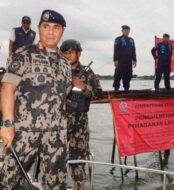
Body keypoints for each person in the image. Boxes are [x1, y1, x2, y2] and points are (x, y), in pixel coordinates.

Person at [0, 9, 72, 190]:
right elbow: (7, 89)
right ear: (39, 28)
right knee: (8, 181)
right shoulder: (23, 54)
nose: (50, 31)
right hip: (25, 133)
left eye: (56, 27)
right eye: (46, 26)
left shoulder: (65, 63)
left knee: (57, 184)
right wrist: (7, 124)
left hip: (56, 135)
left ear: (62, 30)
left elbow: (64, 94)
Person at [60, 39, 102, 190]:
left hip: (80, 126)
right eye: (65, 53)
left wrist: (83, 86)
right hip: (59, 124)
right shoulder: (57, 71)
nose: (68, 56)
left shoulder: (87, 73)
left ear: (78, 53)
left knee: (78, 164)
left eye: (71, 52)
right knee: (57, 163)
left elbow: (99, 94)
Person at [113, 25, 137, 91]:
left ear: (129, 31)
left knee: (128, 75)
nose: (126, 31)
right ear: (122, 31)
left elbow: (133, 50)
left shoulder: (131, 40)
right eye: (125, 30)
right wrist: (115, 60)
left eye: (128, 30)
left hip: (129, 60)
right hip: (120, 60)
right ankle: (116, 88)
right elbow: (115, 49)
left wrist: (134, 59)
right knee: (118, 75)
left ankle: (126, 88)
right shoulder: (118, 39)